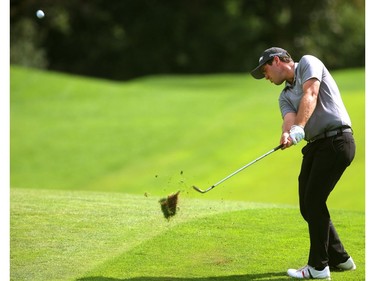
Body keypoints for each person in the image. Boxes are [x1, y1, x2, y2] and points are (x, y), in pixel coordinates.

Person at [250, 47, 357, 279]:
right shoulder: (284, 95)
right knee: (307, 205)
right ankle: (341, 259)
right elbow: (289, 120)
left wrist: (299, 128)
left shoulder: (308, 63)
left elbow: (311, 94)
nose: (265, 77)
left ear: (276, 61)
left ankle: (318, 267)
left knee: (314, 200)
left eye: (265, 71)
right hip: (315, 147)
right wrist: (288, 134)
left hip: (337, 140)